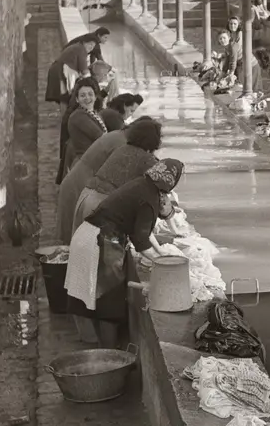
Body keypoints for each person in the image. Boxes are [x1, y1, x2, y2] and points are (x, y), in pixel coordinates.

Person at [65, 158, 186, 346]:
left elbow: (143, 231)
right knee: (109, 303)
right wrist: (164, 264)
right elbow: (141, 241)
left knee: (98, 300)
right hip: (100, 241)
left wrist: (162, 253)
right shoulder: (149, 200)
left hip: (89, 235)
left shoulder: (143, 185)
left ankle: (102, 349)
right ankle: (110, 352)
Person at [71, 116, 164, 237]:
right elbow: (162, 185)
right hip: (101, 205)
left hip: (86, 197)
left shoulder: (122, 149)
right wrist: (170, 214)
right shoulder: (146, 159)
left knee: (79, 243)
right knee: (97, 247)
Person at [55, 121, 136, 245]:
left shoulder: (118, 135)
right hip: (81, 183)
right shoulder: (121, 143)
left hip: (81, 180)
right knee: (77, 240)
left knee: (77, 238)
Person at [63, 79, 108, 175]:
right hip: (86, 166)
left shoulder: (95, 114)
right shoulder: (78, 116)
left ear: (95, 97)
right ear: (77, 99)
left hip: (94, 162)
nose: (87, 98)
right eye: (82, 95)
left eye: (90, 94)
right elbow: (100, 137)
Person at [45, 35, 96, 104]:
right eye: (90, 44)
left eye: (93, 46)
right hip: (60, 72)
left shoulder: (77, 47)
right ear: (84, 42)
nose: (91, 48)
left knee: (64, 98)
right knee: (65, 98)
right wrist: (93, 82)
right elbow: (84, 70)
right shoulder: (81, 49)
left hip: (57, 70)